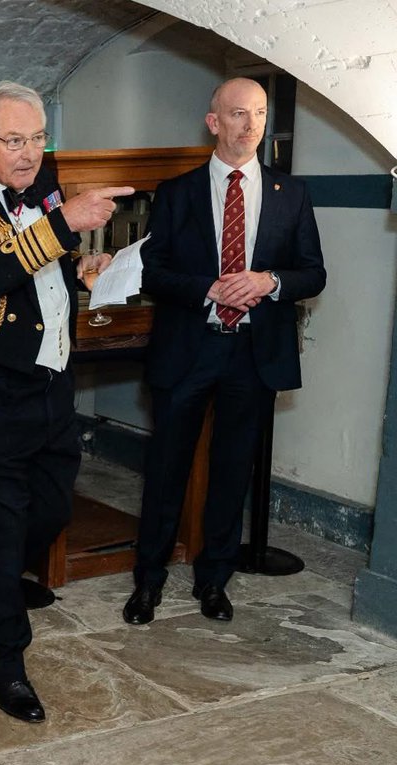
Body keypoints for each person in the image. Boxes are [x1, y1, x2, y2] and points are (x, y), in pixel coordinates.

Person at [0, 81, 131, 723]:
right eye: (14, 140)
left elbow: (45, 269)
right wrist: (64, 222)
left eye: (39, 138)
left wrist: (84, 269)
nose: (30, 153)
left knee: (49, 512)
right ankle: (6, 663)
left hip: (52, 386)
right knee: (6, 527)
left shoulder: (43, 182)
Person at [122, 77, 326, 625]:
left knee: (232, 472)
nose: (250, 124)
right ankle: (149, 583)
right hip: (189, 347)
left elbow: (313, 272)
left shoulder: (292, 195)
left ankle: (214, 581)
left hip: (252, 354)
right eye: (238, 114)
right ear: (214, 122)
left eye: (259, 113)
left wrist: (267, 281)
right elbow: (154, 270)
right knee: (167, 471)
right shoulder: (178, 192)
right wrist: (207, 288)